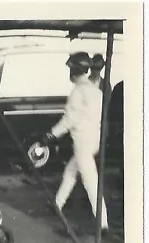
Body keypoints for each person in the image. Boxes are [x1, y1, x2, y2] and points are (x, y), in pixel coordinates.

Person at [42, 51, 109, 231]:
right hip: (94, 139)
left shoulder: (78, 92)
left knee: (90, 181)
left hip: (82, 142)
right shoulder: (96, 90)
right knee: (71, 171)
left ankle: (103, 223)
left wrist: (51, 134)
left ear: (74, 70)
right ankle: (57, 204)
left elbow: (69, 120)